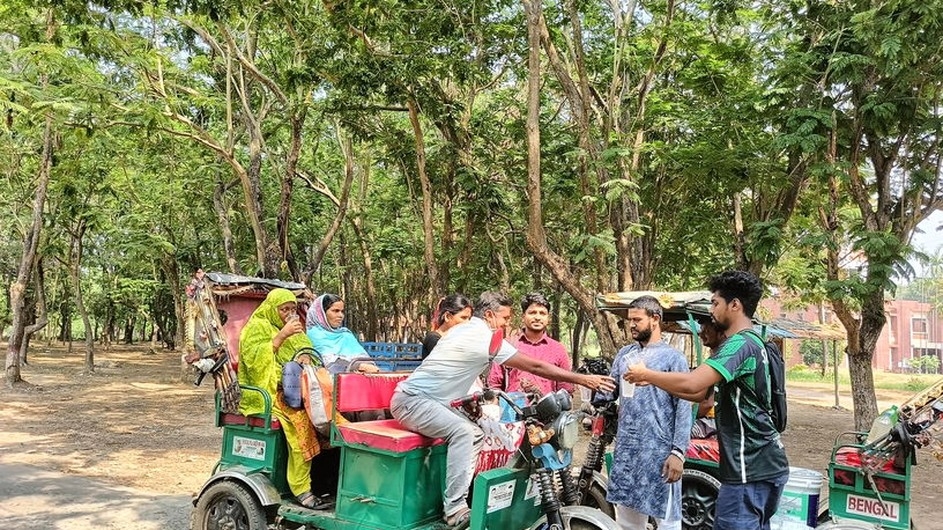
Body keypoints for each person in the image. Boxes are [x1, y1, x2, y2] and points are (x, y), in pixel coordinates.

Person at [390, 292, 616, 527]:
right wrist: (584, 380)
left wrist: (469, 400)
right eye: (505, 318)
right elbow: (535, 365)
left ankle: (477, 498)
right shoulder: (481, 336)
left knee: (489, 426)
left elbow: (454, 370)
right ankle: (455, 508)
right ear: (489, 315)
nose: (508, 323)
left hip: (435, 402)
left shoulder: (468, 331)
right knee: (467, 433)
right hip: (413, 401)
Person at [626, 270, 789, 530]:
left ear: (734, 305)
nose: (711, 311)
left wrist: (646, 373)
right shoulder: (756, 342)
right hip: (764, 465)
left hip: (749, 469)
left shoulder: (739, 345)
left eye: (715, 303)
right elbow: (699, 394)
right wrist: (653, 381)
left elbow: (693, 382)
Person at [605, 295, 690, 530]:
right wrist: (591, 386)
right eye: (629, 320)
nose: (631, 325)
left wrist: (678, 452)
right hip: (628, 451)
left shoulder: (674, 358)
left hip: (660, 452)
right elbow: (609, 391)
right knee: (627, 522)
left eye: (637, 320)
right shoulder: (625, 355)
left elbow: (684, 408)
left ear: (655, 319)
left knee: (668, 521)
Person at [238, 288, 327, 509]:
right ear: (272, 308)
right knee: (302, 426)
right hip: (266, 391)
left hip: (298, 388)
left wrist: (306, 355)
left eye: (292, 309)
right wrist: (281, 335)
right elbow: (253, 361)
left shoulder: (296, 329)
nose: (288, 313)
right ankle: (301, 488)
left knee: (331, 416)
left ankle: (327, 478)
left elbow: (307, 349)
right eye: (283, 309)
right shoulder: (257, 326)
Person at [487, 292, 573, 395]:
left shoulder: (558, 349)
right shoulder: (507, 345)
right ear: (523, 316)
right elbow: (494, 384)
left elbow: (566, 388)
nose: (537, 317)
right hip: (513, 409)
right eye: (532, 313)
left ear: (548, 318)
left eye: (542, 313)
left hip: (548, 410)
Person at [305, 293, 378, 373]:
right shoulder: (314, 334)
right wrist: (359, 366)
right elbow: (329, 364)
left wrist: (367, 367)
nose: (341, 315)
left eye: (342, 311)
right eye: (335, 311)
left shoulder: (345, 334)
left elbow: (365, 360)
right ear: (321, 313)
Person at [422, 294, 474, 359]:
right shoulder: (433, 339)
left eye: (469, 319)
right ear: (447, 316)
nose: (467, 322)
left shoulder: (454, 339)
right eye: (463, 318)